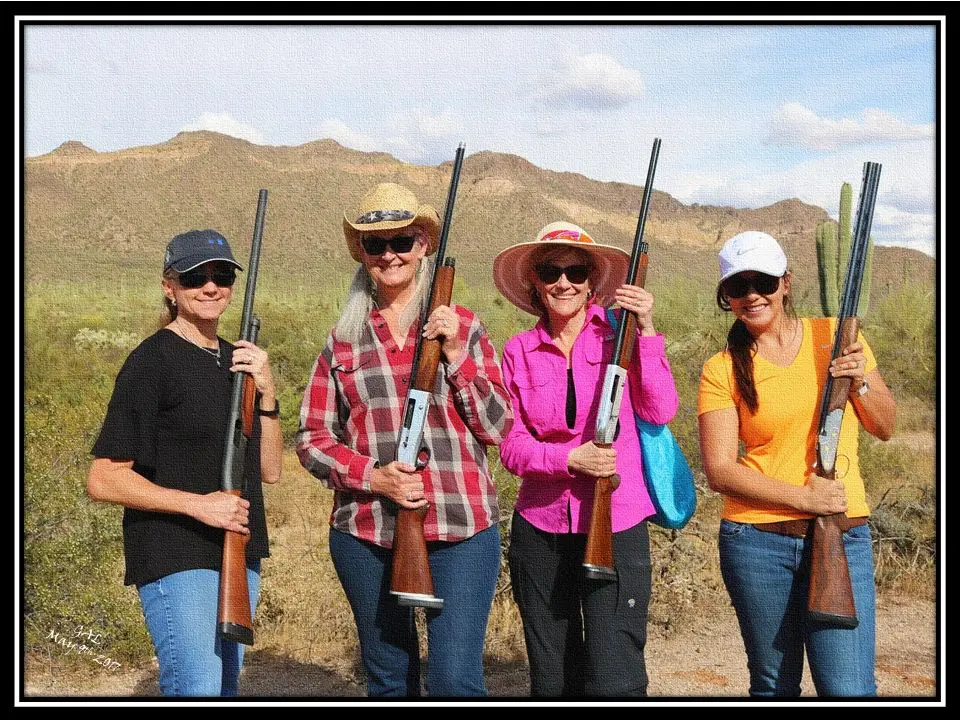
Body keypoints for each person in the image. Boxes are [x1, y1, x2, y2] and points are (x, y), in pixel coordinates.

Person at [296, 183, 512, 697]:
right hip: (366, 531)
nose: (390, 253)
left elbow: (498, 426)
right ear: (364, 257)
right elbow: (311, 437)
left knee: (455, 681)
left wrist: (457, 356)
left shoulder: (464, 326)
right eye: (376, 244)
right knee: (389, 680)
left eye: (402, 241)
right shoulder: (343, 337)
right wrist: (375, 476)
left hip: (461, 526)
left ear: (423, 248)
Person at [697, 230, 896, 697]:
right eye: (737, 286)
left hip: (843, 533)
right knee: (773, 686)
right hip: (757, 541)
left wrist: (860, 382)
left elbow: (885, 426)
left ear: (786, 283)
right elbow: (721, 469)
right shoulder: (721, 368)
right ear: (726, 296)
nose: (752, 295)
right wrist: (803, 498)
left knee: (848, 687)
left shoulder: (839, 336)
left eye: (762, 282)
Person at [86, 229, 282, 697]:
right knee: (197, 685)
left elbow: (271, 470)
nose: (210, 286)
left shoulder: (239, 360)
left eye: (222, 276)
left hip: (239, 552)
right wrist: (198, 506)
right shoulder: (151, 361)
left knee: (226, 685)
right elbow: (103, 478)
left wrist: (269, 392)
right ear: (169, 287)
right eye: (195, 277)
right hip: (175, 553)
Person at [492, 221, 679, 697]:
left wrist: (648, 330)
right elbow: (510, 446)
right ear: (534, 280)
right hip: (541, 527)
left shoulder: (623, 335)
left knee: (616, 673)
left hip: (617, 522)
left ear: (593, 281)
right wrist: (569, 459)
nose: (564, 282)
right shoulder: (517, 351)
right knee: (552, 674)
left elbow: (661, 409)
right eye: (551, 271)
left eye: (576, 272)